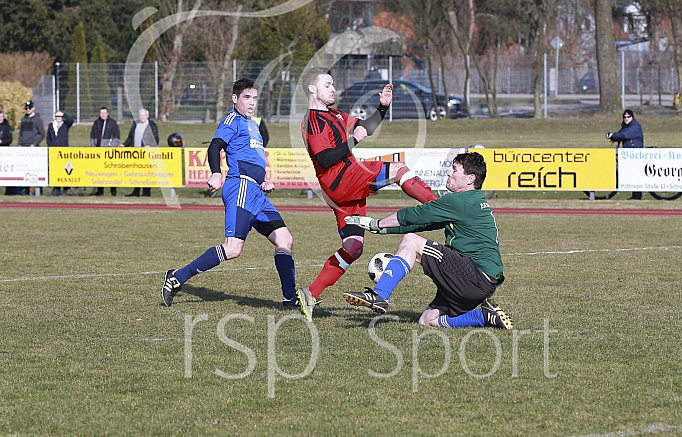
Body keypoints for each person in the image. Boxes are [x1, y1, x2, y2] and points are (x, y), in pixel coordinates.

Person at [295, 67, 438, 321]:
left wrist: (381, 108)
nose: (333, 88)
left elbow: (365, 127)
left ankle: (310, 293)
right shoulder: (313, 120)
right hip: (340, 179)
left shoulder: (336, 114)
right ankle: (443, 206)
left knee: (353, 247)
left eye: (333, 84)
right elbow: (326, 158)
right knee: (397, 168)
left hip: (343, 190)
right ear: (312, 89)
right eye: (327, 84)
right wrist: (354, 141)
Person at [162, 78, 298, 308]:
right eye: (247, 98)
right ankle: (177, 277)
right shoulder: (232, 120)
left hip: (256, 192)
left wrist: (263, 181)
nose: (252, 103)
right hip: (241, 188)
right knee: (233, 248)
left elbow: (250, 158)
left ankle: (289, 299)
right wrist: (216, 172)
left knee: (285, 240)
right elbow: (215, 145)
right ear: (235, 99)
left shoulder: (253, 125)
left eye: (254, 98)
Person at [342, 151, 513, 330]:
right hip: (482, 285)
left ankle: (380, 295)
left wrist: (377, 223)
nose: (449, 173)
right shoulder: (472, 201)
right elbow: (425, 223)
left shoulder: (460, 201)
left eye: (454, 170)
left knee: (412, 241)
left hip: (473, 277)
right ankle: (483, 316)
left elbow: (415, 215)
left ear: (470, 179)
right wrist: (380, 228)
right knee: (427, 320)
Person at [607, 109, 644, 200]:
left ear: (632, 117)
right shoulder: (625, 126)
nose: (626, 119)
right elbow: (620, 133)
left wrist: (613, 135)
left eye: (628, 117)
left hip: (635, 154)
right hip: (629, 154)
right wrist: (613, 136)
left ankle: (637, 196)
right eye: (625, 117)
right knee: (632, 174)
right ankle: (635, 195)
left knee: (636, 174)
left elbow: (625, 135)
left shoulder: (635, 126)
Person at [121, 108, 159, 197]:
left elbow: (156, 138)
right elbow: (130, 137)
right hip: (136, 153)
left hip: (146, 153)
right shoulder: (135, 124)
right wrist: (125, 145)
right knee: (137, 172)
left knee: (146, 173)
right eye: (140, 115)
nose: (141, 117)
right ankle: (136, 191)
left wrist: (150, 145)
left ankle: (146, 192)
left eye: (143, 115)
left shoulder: (152, 125)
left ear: (147, 116)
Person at [15, 100, 45, 195]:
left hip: (33, 149)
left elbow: (42, 134)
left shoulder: (37, 120)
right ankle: (25, 190)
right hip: (23, 147)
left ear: (33, 108)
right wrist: (19, 143)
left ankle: (38, 190)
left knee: (35, 170)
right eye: (26, 108)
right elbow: (21, 134)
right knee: (24, 169)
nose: (28, 110)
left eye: (29, 108)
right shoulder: (24, 119)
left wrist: (34, 144)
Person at [90, 106, 120, 196]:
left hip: (109, 152)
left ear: (108, 114)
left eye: (104, 113)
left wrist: (111, 147)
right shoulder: (96, 123)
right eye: (101, 113)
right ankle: (100, 191)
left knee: (111, 173)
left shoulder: (112, 123)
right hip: (98, 152)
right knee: (100, 172)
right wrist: (94, 148)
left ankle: (113, 191)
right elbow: (92, 136)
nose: (103, 115)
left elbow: (116, 137)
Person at [46, 110, 74, 196]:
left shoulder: (65, 125)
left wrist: (64, 114)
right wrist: (50, 147)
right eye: (57, 116)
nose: (58, 118)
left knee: (65, 170)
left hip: (64, 151)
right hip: (54, 151)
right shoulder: (51, 125)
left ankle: (65, 189)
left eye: (60, 116)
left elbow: (71, 120)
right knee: (56, 171)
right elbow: (48, 138)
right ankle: (57, 189)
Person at [0, 110, 14, 196]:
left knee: (6, 172)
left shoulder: (7, 126)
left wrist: (2, 141)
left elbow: (10, 139)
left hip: (5, 152)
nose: (0, 119)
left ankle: (8, 191)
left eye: (1, 117)